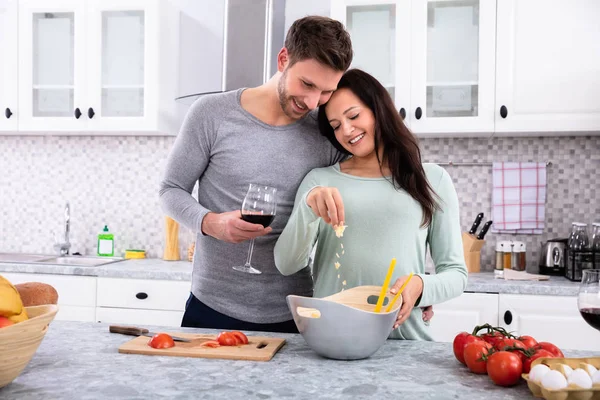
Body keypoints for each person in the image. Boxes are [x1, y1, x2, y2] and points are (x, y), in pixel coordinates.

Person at [158, 16, 353, 333]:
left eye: (326, 91)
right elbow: (170, 190)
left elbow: (372, 191)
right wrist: (212, 223)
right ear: (283, 59)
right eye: (306, 84)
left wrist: (412, 289)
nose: (313, 101)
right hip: (211, 307)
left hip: (295, 312)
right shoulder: (212, 113)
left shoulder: (326, 132)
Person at [273, 69, 467, 340]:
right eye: (336, 125)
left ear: (378, 110)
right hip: (332, 340)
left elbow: (456, 274)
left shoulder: (431, 179)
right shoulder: (320, 181)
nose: (347, 131)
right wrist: (308, 208)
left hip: (404, 341)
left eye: (353, 116)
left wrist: (421, 285)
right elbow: (286, 263)